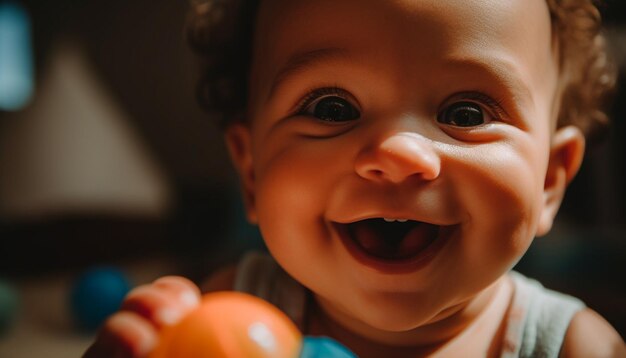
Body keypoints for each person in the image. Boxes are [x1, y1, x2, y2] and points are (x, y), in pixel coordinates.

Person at [85, 0, 626, 356]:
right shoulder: (232, 317)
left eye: (466, 115)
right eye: (331, 107)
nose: (397, 153)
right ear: (251, 172)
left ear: (551, 180)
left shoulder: (574, 347)